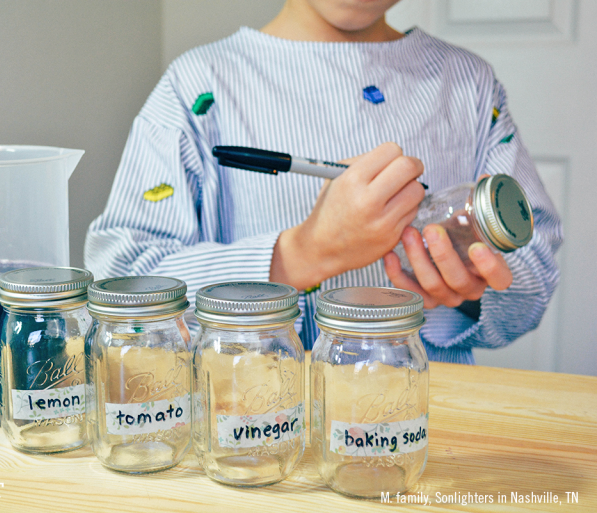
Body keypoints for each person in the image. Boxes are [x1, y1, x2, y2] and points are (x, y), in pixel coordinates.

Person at [85, 0, 562, 363]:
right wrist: (305, 252)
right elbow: (119, 289)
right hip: (248, 428)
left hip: (429, 426)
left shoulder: (468, 86)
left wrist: (472, 290)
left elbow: (534, 280)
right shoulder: (197, 88)